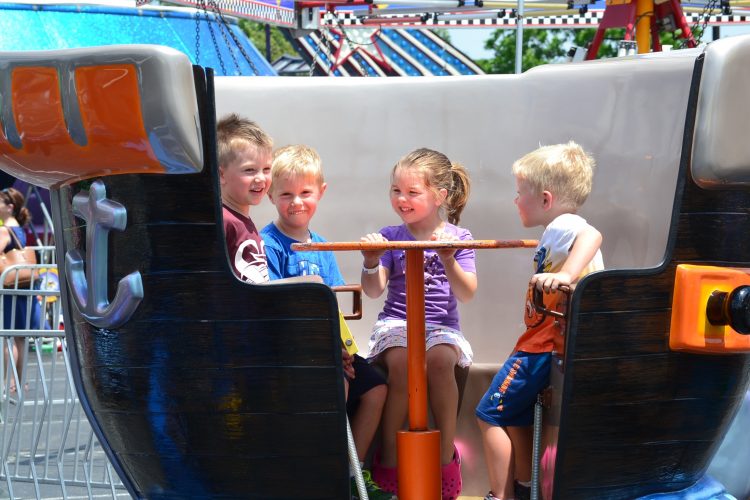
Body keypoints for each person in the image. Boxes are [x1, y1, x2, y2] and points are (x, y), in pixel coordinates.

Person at [260, 145, 393, 500]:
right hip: (297, 352)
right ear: (271, 195)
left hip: (331, 346)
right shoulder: (268, 244)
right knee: (340, 388)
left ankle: (354, 472)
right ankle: (324, 474)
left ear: (321, 192)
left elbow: (331, 305)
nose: (296, 202)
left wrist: (343, 352)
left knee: (376, 387)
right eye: (286, 194)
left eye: (305, 193)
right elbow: (274, 305)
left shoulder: (321, 245)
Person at [475, 142, 604, 500]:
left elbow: (592, 235)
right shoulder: (557, 229)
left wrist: (568, 276)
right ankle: (525, 486)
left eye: (520, 194)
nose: (515, 200)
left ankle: (500, 496)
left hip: (544, 344)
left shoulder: (565, 224)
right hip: (547, 340)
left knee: (489, 413)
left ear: (546, 199)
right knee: (514, 416)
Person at [360, 148, 476, 499]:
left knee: (440, 362)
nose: (402, 199)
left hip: (440, 325)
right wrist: (370, 261)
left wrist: (448, 258)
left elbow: (467, 292)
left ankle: (444, 460)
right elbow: (373, 289)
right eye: (396, 191)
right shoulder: (390, 235)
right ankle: (391, 462)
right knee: (402, 362)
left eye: (413, 192)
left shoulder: (459, 238)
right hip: (396, 322)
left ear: (440, 195)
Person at [217, 113, 273, 284]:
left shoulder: (241, 221)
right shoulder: (225, 222)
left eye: (266, 169)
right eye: (249, 170)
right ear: (221, 175)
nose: (261, 178)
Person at [0, 187, 42, 396]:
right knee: (20, 337)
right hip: (24, 285)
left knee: (9, 336)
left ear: (9, 207)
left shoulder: (4, 230)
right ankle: (20, 380)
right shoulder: (19, 228)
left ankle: (9, 382)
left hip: (10, 287)